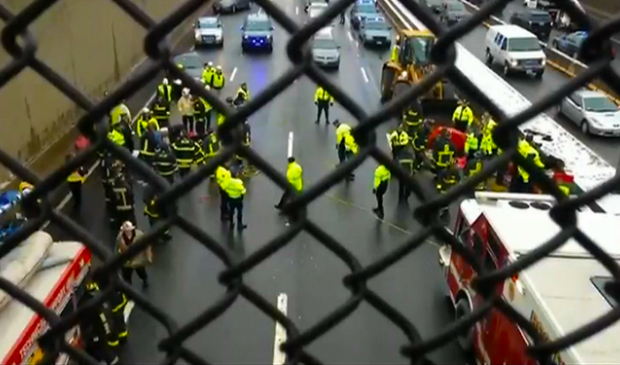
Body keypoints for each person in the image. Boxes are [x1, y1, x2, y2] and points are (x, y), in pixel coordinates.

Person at [78, 280, 119, 365]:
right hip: (100, 329)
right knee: (100, 346)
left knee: (99, 347)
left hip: (97, 331)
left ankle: (109, 359)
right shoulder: (99, 295)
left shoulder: (88, 302)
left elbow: (86, 320)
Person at [117, 221, 152, 288]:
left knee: (141, 271)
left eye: (129, 230)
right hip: (126, 262)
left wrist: (148, 255)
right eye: (126, 230)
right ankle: (128, 287)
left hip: (137, 259)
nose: (127, 232)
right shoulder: (120, 237)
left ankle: (145, 279)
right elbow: (118, 248)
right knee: (126, 276)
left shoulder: (139, 235)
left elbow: (146, 244)